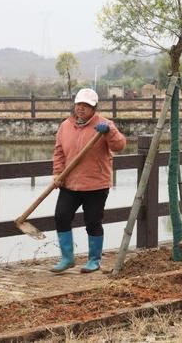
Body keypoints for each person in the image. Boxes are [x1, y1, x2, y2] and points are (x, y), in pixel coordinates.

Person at [51, 88, 126, 273]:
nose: (81, 109)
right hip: (70, 183)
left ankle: (94, 260)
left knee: (92, 221)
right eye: (79, 105)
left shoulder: (104, 124)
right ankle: (67, 258)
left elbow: (120, 146)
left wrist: (108, 132)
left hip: (96, 184)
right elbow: (59, 152)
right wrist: (58, 174)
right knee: (61, 216)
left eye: (86, 106)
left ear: (94, 108)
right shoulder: (66, 126)